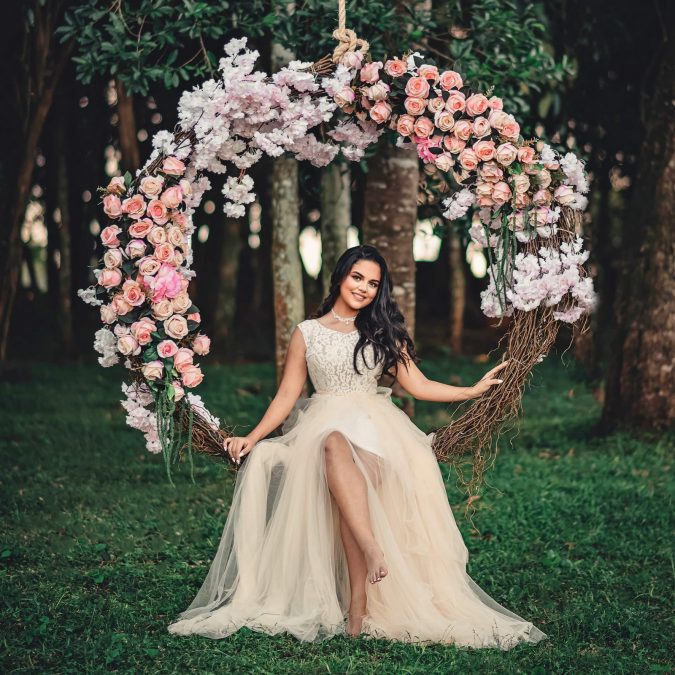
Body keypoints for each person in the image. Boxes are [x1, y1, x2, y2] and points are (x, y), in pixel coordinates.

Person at [168, 244, 548, 650]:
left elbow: (418, 386)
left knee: (345, 464)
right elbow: (286, 397)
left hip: (376, 434)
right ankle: (361, 589)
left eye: (373, 284)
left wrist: (471, 389)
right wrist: (253, 436)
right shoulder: (307, 333)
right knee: (333, 445)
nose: (364, 288)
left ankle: (360, 589)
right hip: (321, 432)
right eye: (357, 278)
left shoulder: (383, 332)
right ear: (340, 276)